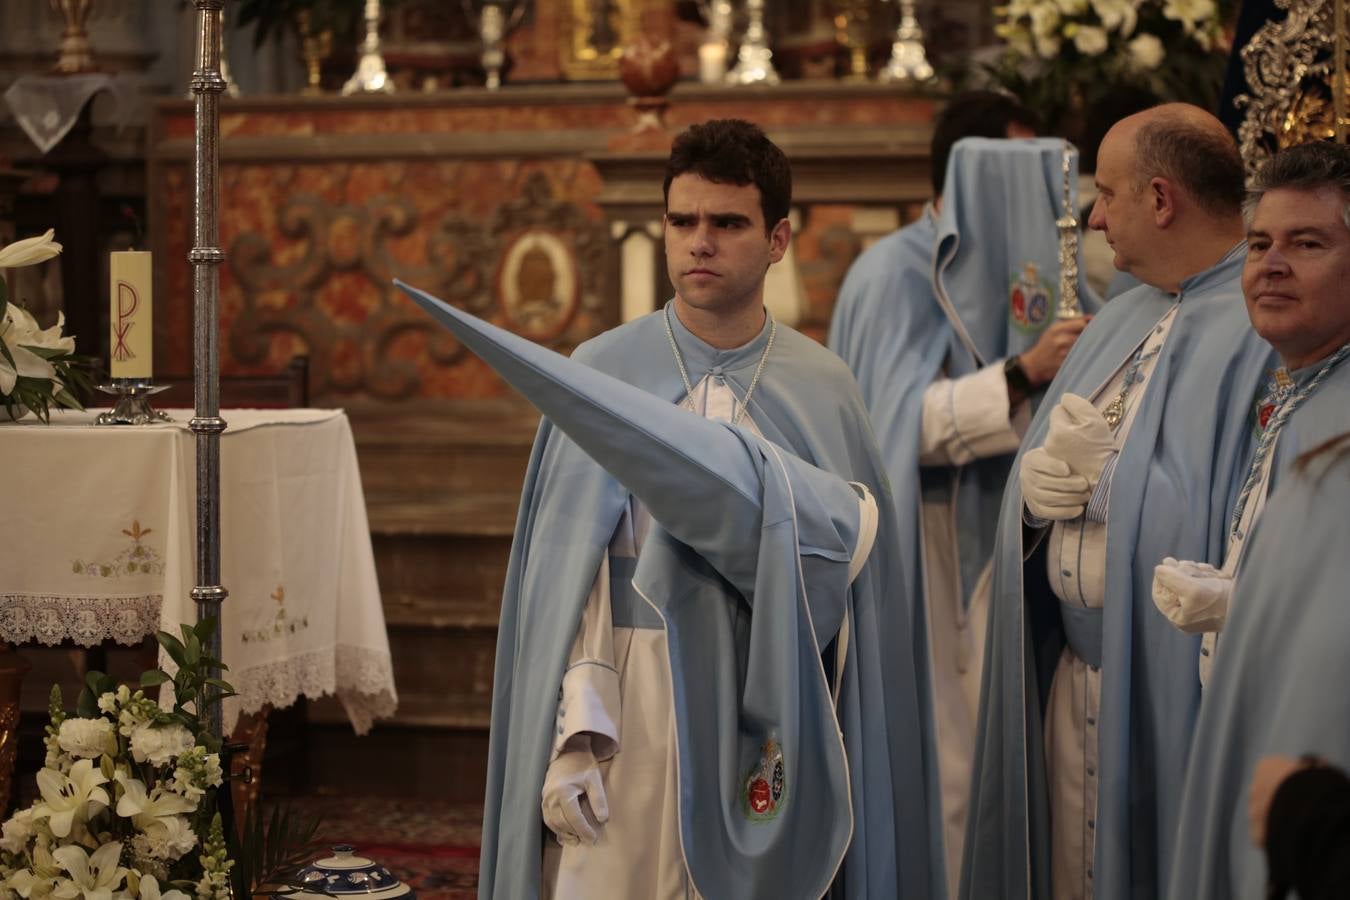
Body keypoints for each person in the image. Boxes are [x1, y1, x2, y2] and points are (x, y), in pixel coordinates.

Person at [452, 119, 940, 900]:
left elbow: (856, 591)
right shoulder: (603, 370)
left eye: (727, 223)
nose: (699, 242)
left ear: (778, 239)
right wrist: (575, 731)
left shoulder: (824, 386)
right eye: (683, 221)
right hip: (626, 707)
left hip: (770, 701)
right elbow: (573, 583)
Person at [960, 103, 1278, 900]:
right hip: (1071, 678)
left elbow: (1253, 520)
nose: (1093, 218)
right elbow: (1049, 483)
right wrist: (1032, 506)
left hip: (1170, 688)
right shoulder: (1116, 320)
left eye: (1107, 194)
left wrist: (1116, 490)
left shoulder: (1261, 330)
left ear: (1162, 200)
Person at [828, 90, 1094, 896]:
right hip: (929, 548)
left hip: (1019, 542)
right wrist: (1021, 374)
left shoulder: (1043, 264)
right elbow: (884, 433)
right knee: (946, 762)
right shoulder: (892, 273)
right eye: (1016, 171)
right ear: (965, 176)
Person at [1163, 141, 1350, 900]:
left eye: (1308, 244)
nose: (1272, 264)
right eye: (1260, 244)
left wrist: (1247, 609)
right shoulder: (1299, 390)